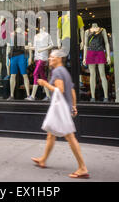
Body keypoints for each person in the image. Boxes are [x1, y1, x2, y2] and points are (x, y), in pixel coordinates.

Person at [31, 49, 89, 179]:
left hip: (60, 109)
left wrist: (45, 83)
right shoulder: (65, 72)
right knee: (51, 134)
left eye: (51, 57)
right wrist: (73, 106)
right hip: (64, 108)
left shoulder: (57, 71)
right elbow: (72, 91)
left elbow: (60, 90)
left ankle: (82, 167)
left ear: (58, 59)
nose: (49, 59)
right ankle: (43, 159)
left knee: (70, 138)